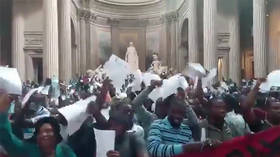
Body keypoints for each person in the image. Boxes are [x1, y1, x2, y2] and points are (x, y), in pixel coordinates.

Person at [0, 90, 76, 157]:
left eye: (48, 131)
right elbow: (8, 139)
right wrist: (3, 113)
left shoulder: (65, 152)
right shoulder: (29, 150)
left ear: (56, 135)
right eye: (40, 132)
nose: (44, 135)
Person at [147, 96, 219, 157]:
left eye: (181, 113)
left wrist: (206, 145)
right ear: (168, 111)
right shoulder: (157, 125)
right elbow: (153, 149)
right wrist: (185, 148)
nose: (177, 116)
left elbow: (192, 152)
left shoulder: (186, 130)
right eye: (174, 112)